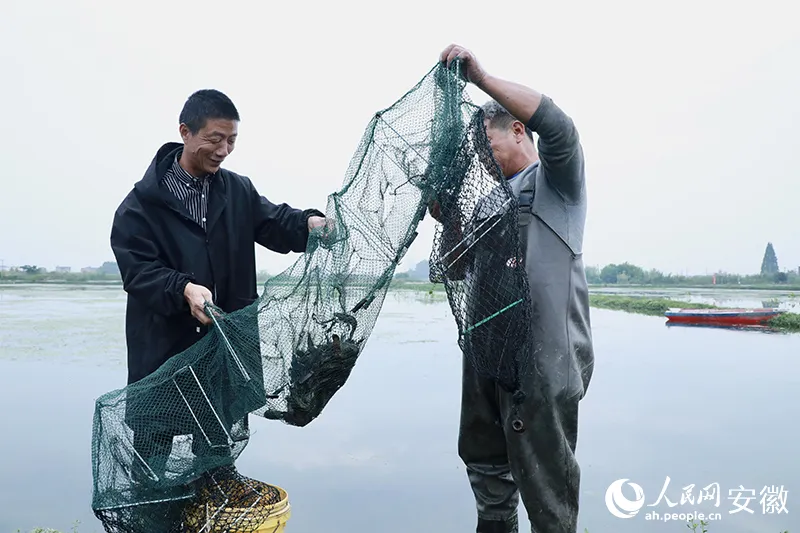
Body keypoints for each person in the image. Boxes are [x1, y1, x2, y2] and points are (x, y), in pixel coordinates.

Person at [109, 89, 326, 483]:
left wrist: (310, 224)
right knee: (151, 462)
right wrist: (184, 288)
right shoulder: (139, 207)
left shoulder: (236, 190)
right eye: (214, 138)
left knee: (216, 459)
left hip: (221, 353)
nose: (224, 149)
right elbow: (139, 272)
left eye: (232, 140)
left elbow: (275, 222)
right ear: (185, 133)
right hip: (162, 352)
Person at [431, 45, 595, 533]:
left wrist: (480, 77)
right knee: (487, 469)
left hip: (544, 362)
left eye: (489, 142)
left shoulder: (558, 184)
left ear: (518, 130)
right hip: (485, 358)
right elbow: (456, 270)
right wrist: (452, 218)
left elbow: (560, 127)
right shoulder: (488, 202)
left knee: (548, 486)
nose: (482, 155)